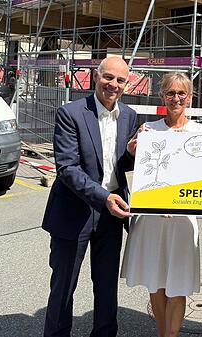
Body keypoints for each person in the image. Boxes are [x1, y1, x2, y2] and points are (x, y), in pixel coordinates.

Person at [42, 56, 138, 337]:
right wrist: (104, 197)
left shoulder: (130, 115)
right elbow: (67, 168)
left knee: (107, 285)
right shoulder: (70, 113)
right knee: (64, 286)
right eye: (108, 77)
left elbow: (120, 165)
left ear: (126, 84)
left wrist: (131, 154)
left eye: (120, 80)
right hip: (74, 211)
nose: (113, 84)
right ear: (97, 76)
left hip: (112, 213)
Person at [121, 72, 202, 337]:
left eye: (181, 93)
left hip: (182, 221)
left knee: (177, 286)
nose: (176, 98)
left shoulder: (201, 132)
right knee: (155, 284)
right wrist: (132, 149)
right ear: (162, 96)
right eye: (170, 93)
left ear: (189, 97)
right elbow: (134, 164)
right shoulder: (149, 129)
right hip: (151, 220)